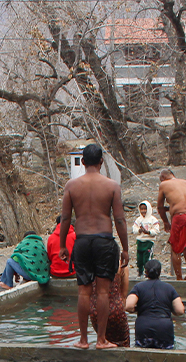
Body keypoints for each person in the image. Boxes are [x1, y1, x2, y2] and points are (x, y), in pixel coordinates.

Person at [59, 142, 130, 349]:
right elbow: (119, 219)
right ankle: (101, 340)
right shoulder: (111, 186)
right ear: (101, 161)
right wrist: (125, 248)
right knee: (103, 293)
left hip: (81, 241)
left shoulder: (71, 186)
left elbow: (65, 218)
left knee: (83, 292)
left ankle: (83, 340)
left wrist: (63, 245)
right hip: (104, 241)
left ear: (83, 161)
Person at [126, 259, 185, 349]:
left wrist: (139, 309)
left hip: (143, 329)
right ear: (160, 272)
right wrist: (169, 309)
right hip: (164, 329)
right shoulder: (169, 288)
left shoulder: (138, 287)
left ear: (146, 272)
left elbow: (129, 306)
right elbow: (180, 310)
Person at [156, 168, 186, 281]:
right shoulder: (185, 182)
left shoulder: (164, 184)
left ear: (163, 178)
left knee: (175, 248)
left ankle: (179, 278)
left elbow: (160, 207)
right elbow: (179, 202)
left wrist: (166, 222)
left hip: (180, 216)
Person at [89, 268, 130, 348]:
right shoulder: (121, 265)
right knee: (122, 343)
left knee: (104, 341)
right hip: (115, 309)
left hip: (95, 309)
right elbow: (124, 296)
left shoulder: (91, 263)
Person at [133, 201, 160, 275]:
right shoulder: (138, 220)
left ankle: (148, 272)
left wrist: (148, 232)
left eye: (145, 209)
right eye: (141, 209)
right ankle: (140, 271)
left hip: (149, 241)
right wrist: (139, 230)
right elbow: (134, 229)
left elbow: (156, 230)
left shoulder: (153, 220)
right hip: (140, 241)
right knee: (139, 258)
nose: (143, 211)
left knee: (147, 258)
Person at [47, 214, 76, 279]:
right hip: (72, 272)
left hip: (55, 273)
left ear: (57, 224)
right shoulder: (74, 236)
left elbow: (49, 257)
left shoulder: (51, 238)